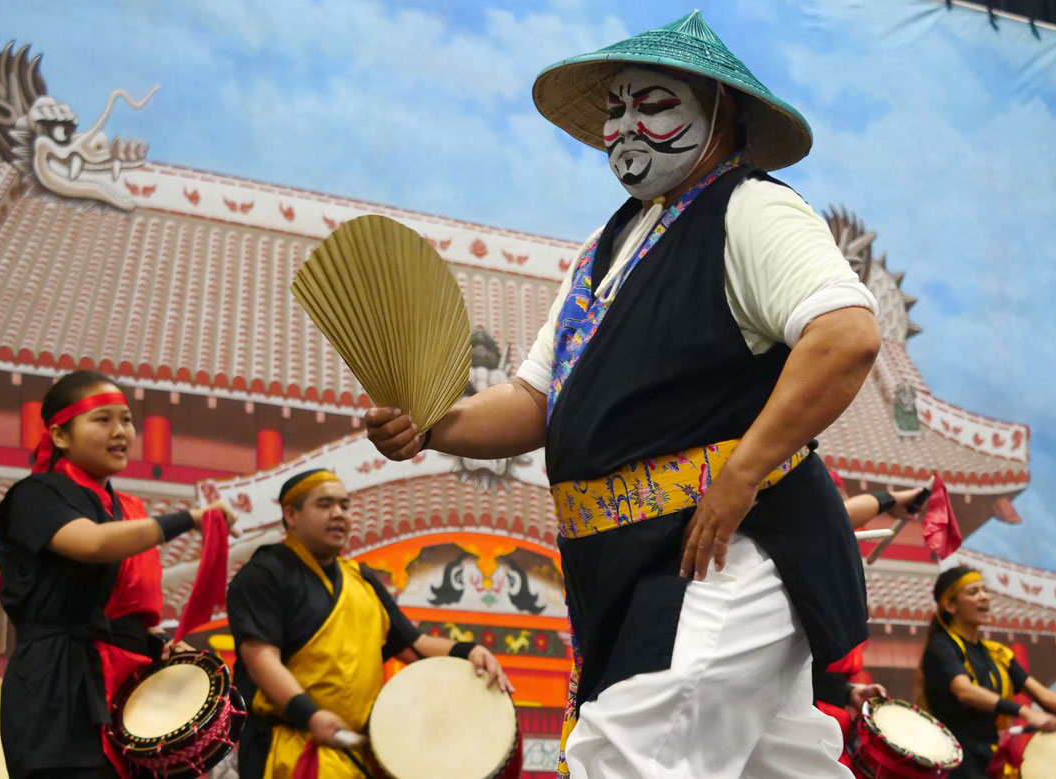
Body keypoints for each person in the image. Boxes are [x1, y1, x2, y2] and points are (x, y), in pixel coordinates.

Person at [367, 11, 880, 777]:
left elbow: (845, 335)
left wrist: (739, 477)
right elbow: (536, 403)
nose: (628, 125)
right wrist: (431, 426)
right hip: (638, 560)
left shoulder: (752, 210)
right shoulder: (601, 251)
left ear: (721, 111)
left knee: (627, 756)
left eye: (655, 104)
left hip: (733, 551)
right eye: (616, 107)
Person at [0, 370, 237, 779]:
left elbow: (123, 606)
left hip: (126, 694)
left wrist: (152, 643)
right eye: (102, 419)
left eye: (126, 419)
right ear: (59, 435)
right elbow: (91, 543)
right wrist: (189, 519)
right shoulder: (34, 496)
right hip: (57, 691)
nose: (120, 431)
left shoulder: (128, 508)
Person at [227, 468, 514, 779]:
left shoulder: (360, 581)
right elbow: (260, 660)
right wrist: (311, 716)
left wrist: (469, 651)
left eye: (345, 506)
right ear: (291, 516)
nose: (339, 515)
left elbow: (413, 646)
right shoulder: (265, 574)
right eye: (325, 505)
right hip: (287, 748)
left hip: (353, 752)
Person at [918, 566, 1056, 777]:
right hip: (955, 758)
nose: (984, 597)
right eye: (973, 592)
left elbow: (1043, 695)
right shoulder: (941, 647)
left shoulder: (997, 654)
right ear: (950, 605)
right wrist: (1025, 712)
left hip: (988, 757)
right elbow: (964, 690)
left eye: (985, 590)